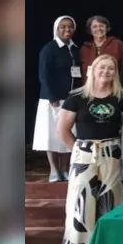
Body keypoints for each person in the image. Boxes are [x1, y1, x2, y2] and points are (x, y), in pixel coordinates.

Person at [48, 54, 123, 244]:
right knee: (79, 212)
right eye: (101, 67)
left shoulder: (121, 98)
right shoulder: (77, 97)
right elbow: (63, 129)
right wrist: (78, 149)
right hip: (84, 155)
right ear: (92, 70)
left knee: (109, 210)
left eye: (110, 68)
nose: (105, 71)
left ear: (115, 72)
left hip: (112, 156)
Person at [34, 15, 80, 182]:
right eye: (63, 27)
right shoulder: (49, 49)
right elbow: (43, 76)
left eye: (70, 27)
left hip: (70, 100)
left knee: (68, 134)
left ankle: (66, 169)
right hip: (52, 100)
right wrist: (52, 96)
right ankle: (54, 170)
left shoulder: (75, 49)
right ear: (56, 29)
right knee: (51, 136)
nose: (67, 30)